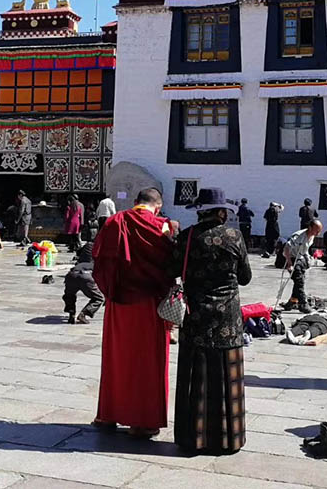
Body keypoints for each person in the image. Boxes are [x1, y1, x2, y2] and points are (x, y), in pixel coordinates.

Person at [92, 187, 177, 438]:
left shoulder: (114, 221)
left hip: (119, 302)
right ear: (157, 206)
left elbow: (100, 261)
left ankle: (108, 415)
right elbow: (170, 266)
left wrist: (110, 290)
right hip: (150, 304)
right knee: (148, 363)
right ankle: (143, 422)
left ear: (135, 202)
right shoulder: (163, 227)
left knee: (116, 358)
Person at [172, 187, 251, 456]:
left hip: (195, 316)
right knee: (226, 381)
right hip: (228, 318)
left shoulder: (186, 237)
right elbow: (245, 277)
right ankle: (228, 440)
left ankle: (192, 439)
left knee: (196, 378)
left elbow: (173, 270)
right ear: (219, 212)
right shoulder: (234, 236)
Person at [281, 219, 323, 311]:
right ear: (310, 227)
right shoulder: (298, 236)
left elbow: (305, 248)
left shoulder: (311, 236)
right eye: (316, 231)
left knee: (299, 280)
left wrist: (308, 259)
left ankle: (292, 302)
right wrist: (289, 264)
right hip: (291, 258)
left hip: (300, 258)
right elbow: (286, 248)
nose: (317, 234)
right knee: (299, 281)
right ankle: (303, 303)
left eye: (319, 231)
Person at [64, 230, 104, 324]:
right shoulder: (101, 249)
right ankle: (84, 314)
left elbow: (78, 253)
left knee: (69, 295)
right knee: (98, 298)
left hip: (72, 274)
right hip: (86, 275)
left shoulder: (87, 246)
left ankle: (71, 314)